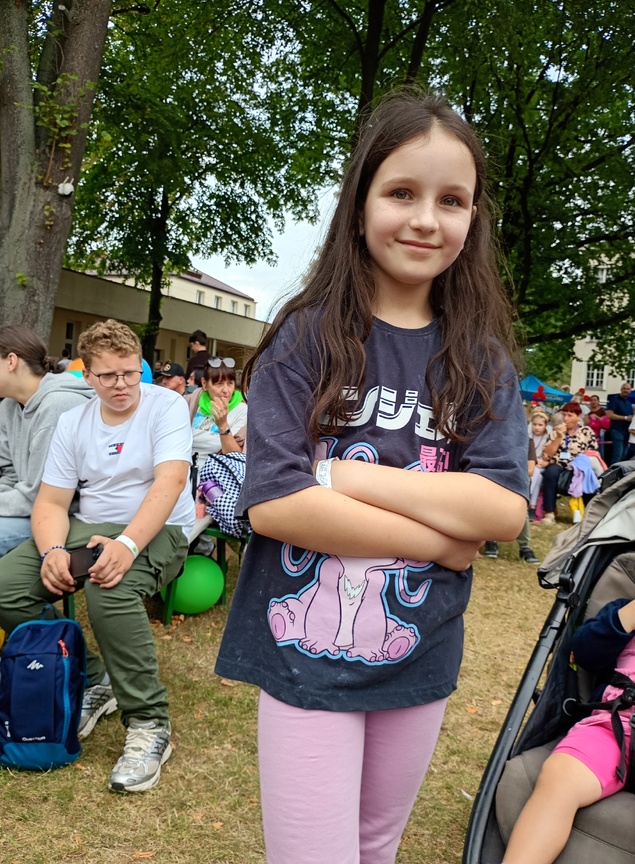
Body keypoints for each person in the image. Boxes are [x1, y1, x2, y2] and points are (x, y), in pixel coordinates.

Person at [214, 90, 528, 864]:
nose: (424, 219)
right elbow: (276, 505)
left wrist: (341, 478)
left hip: (418, 649)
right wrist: (443, 542)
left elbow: (501, 509)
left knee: (374, 847)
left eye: (450, 200)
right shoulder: (305, 337)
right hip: (301, 655)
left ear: (472, 219)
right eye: (401, 193)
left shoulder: (480, 360)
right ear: (358, 208)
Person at [0, 319, 195, 792]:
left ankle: (149, 722)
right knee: (6, 587)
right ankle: (94, 676)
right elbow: (51, 503)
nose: (121, 384)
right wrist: (51, 550)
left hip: (161, 526)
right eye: (108, 376)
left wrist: (127, 545)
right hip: (87, 525)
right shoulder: (74, 421)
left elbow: (170, 482)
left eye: (130, 372)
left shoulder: (166, 404)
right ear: (87, 375)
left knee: (110, 586)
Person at [502, 539, 635, 864]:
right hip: (609, 726)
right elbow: (583, 654)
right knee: (559, 777)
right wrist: (625, 619)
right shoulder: (622, 613)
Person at [0, 325, 93, 557]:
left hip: (63, 517)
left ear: (11, 361)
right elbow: (9, 475)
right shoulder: (8, 406)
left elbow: (40, 496)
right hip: (29, 508)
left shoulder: (58, 405)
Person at [540, 402, 599, 524]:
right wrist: (558, 437)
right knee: (550, 472)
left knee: (586, 475)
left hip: (578, 466)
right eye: (564, 415)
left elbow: (593, 453)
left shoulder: (586, 431)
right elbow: (547, 454)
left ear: (578, 416)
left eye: (570, 415)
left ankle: (588, 514)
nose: (566, 418)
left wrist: (579, 462)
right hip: (559, 463)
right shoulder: (556, 431)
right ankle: (549, 512)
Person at [185, 358, 247, 469]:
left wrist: (223, 426)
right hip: (183, 469)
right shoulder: (192, 402)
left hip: (214, 476)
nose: (226, 390)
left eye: (230, 383)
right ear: (204, 384)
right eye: (219, 384)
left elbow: (236, 458)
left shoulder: (242, 410)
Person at [606, 381, 634, 465]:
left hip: (627, 431)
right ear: (621, 390)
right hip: (617, 430)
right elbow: (609, 414)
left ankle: (620, 470)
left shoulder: (628, 402)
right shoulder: (614, 400)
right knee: (618, 454)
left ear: (630, 391)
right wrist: (625, 418)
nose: (626, 390)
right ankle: (613, 471)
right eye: (624, 388)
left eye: (628, 389)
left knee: (624, 454)